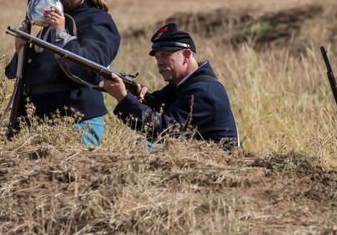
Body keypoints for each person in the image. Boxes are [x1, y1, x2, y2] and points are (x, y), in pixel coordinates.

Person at [5, 0, 121, 145]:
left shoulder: (99, 21)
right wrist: (21, 50)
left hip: (77, 119)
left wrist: (60, 32)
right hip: (38, 120)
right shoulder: (50, 22)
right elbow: (17, 74)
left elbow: (91, 68)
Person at [102, 22, 239, 149]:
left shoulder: (203, 91)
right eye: (157, 57)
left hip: (218, 164)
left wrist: (124, 98)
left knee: (142, 147)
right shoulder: (183, 84)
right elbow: (159, 104)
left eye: (165, 55)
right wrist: (140, 95)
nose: (159, 62)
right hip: (201, 161)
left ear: (186, 55)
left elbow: (163, 131)